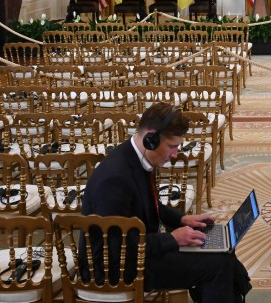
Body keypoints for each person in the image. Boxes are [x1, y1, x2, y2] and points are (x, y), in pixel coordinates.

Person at [80, 102, 251, 302]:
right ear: (151, 139)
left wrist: (183, 219)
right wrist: (173, 239)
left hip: (137, 251)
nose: (175, 154)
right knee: (216, 265)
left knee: (222, 253)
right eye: (172, 146)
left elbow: (148, 204)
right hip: (113, 268)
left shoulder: (135, 157)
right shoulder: (115, 179)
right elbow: (118, 245)